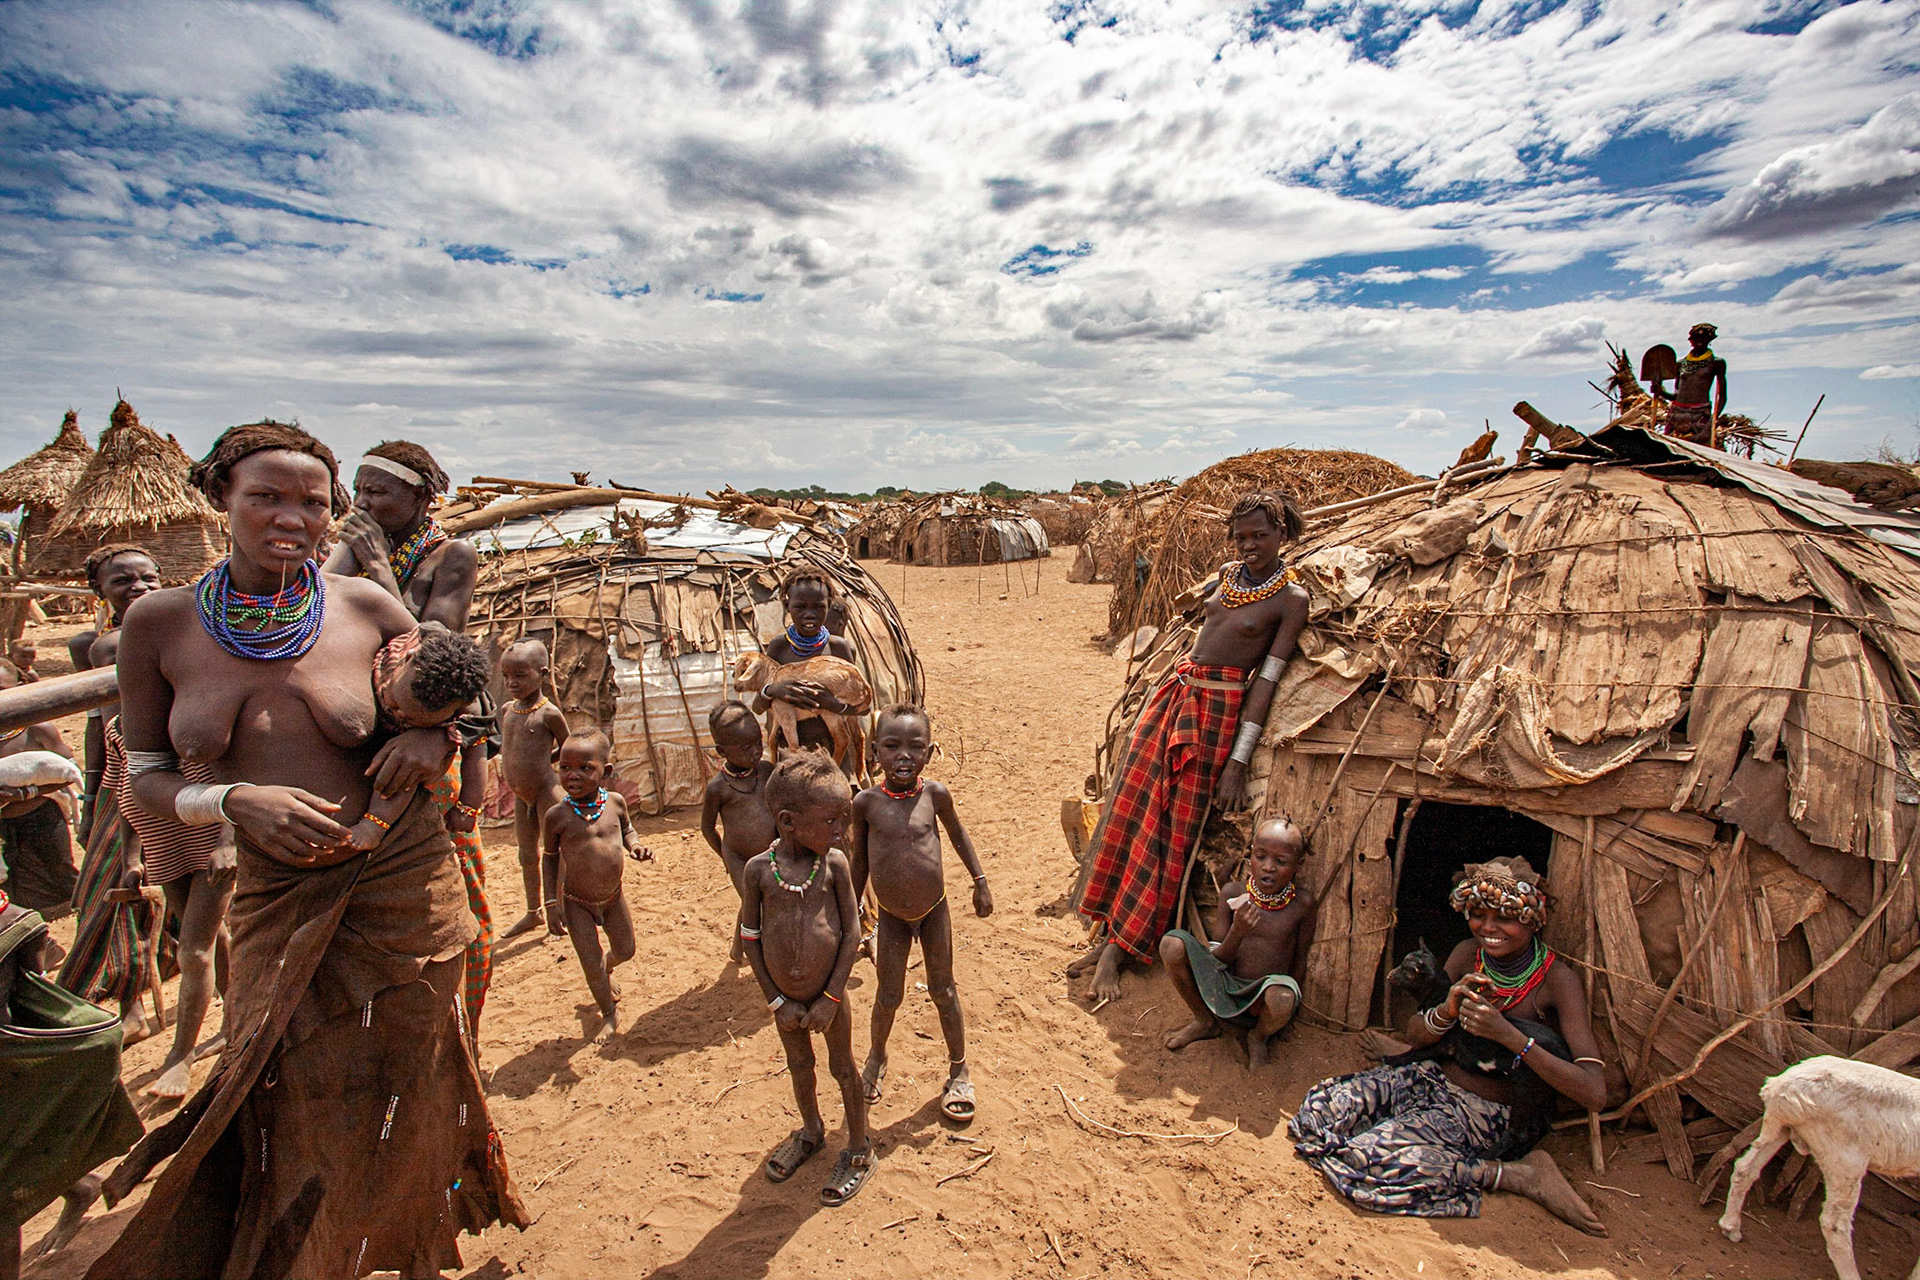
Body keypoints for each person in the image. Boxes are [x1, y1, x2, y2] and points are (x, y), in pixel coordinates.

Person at [86, 421, 525, 1280]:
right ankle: (312, 1253)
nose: (293, 517)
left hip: (401, 882)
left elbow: (459, 696)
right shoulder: (159, 624)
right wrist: (233, 799)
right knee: (283, 1083)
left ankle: (411, 1248)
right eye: (266, 497)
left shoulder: (362, 605)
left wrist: (432, 748)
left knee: (414, 1073)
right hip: (275, 894)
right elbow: (143, 774)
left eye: (312, 502)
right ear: (220, 499)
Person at [1072, 491, 1310, 1002]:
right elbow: (1198, 634)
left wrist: (1238, 761)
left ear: (1283, 534)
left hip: (1216, 715)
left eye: (1260, 536)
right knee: (1130, 811)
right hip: (1176, 695)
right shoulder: (1225, 576)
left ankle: (1124, 948)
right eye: (1241, 536)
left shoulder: (1292, 600)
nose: (1248, 546)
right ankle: (1107, 933)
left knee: (1168, 831)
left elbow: (1267, 679)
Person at [1289, 857, 1608, 1236]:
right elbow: (1416, 1037)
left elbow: (1594, 1092)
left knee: (1365, 1159)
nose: (1488, 928)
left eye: (1504, 917)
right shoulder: (1466, 954)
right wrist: (1446, 1009)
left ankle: (1513, 1175)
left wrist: (1510, 1037)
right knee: (1317, 1112)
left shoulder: (1556, 981)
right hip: (1429, 1078)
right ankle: (1401, 1130)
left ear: (1532, 919)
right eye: (1477, 914)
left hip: (1483, 1114)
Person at [324, 440, 496, 1037]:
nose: (365, 502)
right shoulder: (345, 554)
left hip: (424, 732)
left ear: (422, 496)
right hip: (355, 738)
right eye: (360, 490)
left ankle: (458, 1027)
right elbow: (317, 620)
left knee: (451, 897)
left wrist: (374, 568)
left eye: (380, 492)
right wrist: (350, 558)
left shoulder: (452, 556)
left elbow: (433, 645)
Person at [739, 751, 871, 1206]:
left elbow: (852, 931)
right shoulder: (759, 872)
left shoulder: (833, 865)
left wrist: (831, 997)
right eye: (831, 822)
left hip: (828, 998)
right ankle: (812, 1130)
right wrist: (776, 1001)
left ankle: (858, 1148)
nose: (841, 832)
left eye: (844, 820)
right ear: (789, 822)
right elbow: (751, 937)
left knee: (842, 1068)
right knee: (800, 1066)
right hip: (785, 1004)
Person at [848, 704, 991, 1123]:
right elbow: (858, 861)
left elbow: (958, 833)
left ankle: (959, 1068)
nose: (903, 756)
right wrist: (854, 909)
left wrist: (979, 880)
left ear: (930, 752)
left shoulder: (935, 795)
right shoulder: (866, 804)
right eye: (892, 746)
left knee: (943, 989)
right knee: (887, 995)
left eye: (915, 746)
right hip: (890, 915)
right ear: (875, 751)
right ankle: (876, 1057)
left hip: (934, 910)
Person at [59, 546, 173, 1046]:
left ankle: (145, 990)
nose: (139, 587)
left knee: (155, 889)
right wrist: (92, 795)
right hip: (130, 780)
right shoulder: (107, 645)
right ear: (98, 592)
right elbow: (105, 730)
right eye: (123, 581)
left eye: (148, 578)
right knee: (119, 887)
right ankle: (129, 1000)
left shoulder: (185, 625)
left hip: (177, 773)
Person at [0, 890, 143, 1280]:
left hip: (13, 1063)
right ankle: (79, 1187)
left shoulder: (11, 923)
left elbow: (34, 977)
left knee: (3, 1195)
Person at [1159, 817, 1316, 1069]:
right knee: (1171, 945)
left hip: (1263, 996)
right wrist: (1238, 931)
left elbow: (1299, 959)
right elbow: (1217, 961)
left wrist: (1287, 1016)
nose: (1268, 867)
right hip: (1224, 985)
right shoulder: (1233, 894)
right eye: (1261, 856)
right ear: (1250, 856)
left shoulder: (1302, 905)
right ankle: (1204, 1021)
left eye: (1281, 861)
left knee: (1283, 998)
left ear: (1298, 866)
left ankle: (1258, 1037)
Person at [345, 626, 494, 852]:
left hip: (408, 753)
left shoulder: (464, 707)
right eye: (395, 705)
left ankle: (375, 825)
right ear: (408, 659)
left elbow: (476, 752)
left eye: (413, 719)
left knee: (406, 769)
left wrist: (468, 808)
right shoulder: (398, 649)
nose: (400, 716)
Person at [542, 730, 649, 1042]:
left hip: (613, 897)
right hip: (577, 902)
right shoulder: (557, 816)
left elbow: (627, 830)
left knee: (625, 950)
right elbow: (549, 859)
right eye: (565, 768)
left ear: (607, 771)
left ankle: (607, 969)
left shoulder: (615, 803)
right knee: (590, 962)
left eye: (585, 768)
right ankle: (608, 1012)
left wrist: (636, 846)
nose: (572, 776)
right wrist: (551, 903)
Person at [751, 567, 871, 777]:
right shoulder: (779, 648)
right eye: (800, 607)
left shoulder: (839, 648)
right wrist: (773, 690)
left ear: (829, 605)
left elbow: (862, 708)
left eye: (818, 607)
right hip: (790, 754)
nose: (809, 614)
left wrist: (832, 704)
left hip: (834, 756)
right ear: (787, 606)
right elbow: (758, 707)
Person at [0, 663, 77, 938]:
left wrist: (27, 793)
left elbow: (69, 772)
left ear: (21, 691)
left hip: (39, 818)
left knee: (56, 880)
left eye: (3, 691)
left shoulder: (37, 730)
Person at [499, 638, 569, 939]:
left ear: (543, 673)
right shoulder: (507, 710)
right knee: (527, 855)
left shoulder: (549, 714)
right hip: (521, 796)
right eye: (506, 676)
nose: (511, 683)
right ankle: (533, 914)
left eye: (520, 675)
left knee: (554, 853)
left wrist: (544, 764)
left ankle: (560, 909)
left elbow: (569, 751)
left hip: (545, 792)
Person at [699, 700, 774, 963]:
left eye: (758, 743)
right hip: (739, 858)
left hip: (769, 853)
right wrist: (724, 856)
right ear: (721, 751)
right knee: (759, 906)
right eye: (745, 748)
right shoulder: (718, 788)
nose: (755, 752)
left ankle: (736, 947)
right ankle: (763, 960)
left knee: (751, 901)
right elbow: (707, 828)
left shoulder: (766, 771)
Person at [1651, 322, 1728, 446]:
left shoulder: (1716, 363)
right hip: (1676, 414)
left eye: (1703, 338)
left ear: (1709, 340)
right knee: (1668, 451)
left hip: (1700, 415)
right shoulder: (1681, 364)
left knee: (1700, 453)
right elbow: (1676, 395)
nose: (1700, 341)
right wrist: (1661, 392)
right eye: (1696, 338)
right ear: (1690, 341)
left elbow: (1722, 396)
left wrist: (1712, 421)